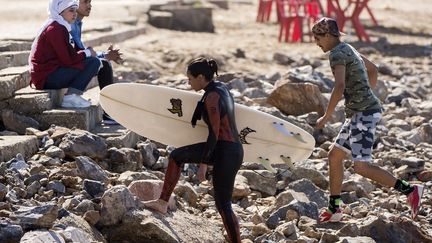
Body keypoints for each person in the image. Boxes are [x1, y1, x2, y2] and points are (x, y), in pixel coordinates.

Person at [312, 17, 424, 223]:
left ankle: (410, 190)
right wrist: (367, 92)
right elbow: (373, 68)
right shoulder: (348, 48)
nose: (316, 43)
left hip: (363, 113)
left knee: (361, 167)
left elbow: (339, 86)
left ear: (328, 36)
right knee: (335, 156)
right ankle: (334, 208)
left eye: (317, 38)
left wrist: (327, 115)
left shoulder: (336, 54)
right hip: (361, 111)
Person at [143, 58, 244, 243]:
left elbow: (214, 133)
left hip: (225, 151)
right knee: (176, 156)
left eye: (190, 79)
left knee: (223, 204)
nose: (188, 83)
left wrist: (203, 165)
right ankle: (162, 202)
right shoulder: (219, 88)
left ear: (200, 77)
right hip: (230, 149)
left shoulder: (212, 98)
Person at [29, 0, 101, 108]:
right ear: (60, 12)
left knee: (93, 62)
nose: (75, 14)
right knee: (93, 62)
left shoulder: (60, 26)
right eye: (71, 10)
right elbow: (68, 60)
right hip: (46, 77)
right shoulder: (55, 29)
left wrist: (86, 53)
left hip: (49, 73)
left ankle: (72, 96)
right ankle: (71, 97)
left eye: (75, 10)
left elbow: (68, 55)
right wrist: (87, 53)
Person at [71, 0, 123, 125]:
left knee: (104, 62)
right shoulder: (71, 24)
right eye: (85, 2)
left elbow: (81, 51)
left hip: (72, 61)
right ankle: (109, 113)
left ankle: (109, 112)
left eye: (90, 2)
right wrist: (104, 56)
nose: (89, 5)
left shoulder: (77, 23)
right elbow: (76, 54)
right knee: (103, 64)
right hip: (62, 67)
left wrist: (104, 55)